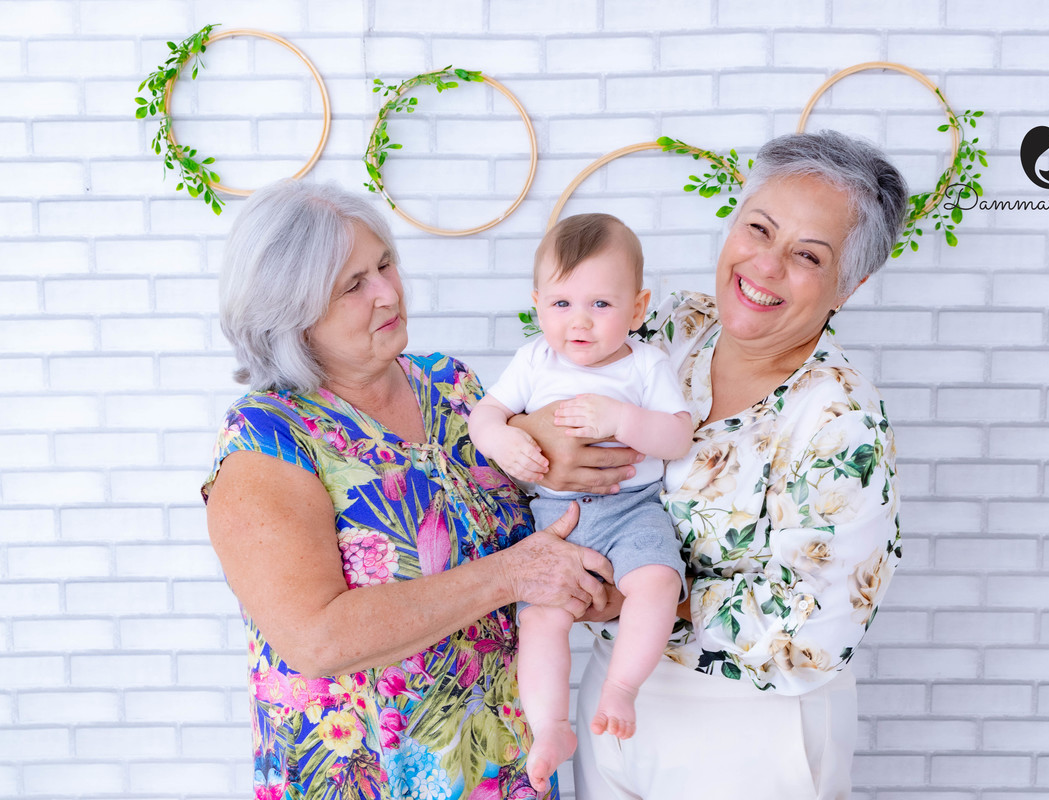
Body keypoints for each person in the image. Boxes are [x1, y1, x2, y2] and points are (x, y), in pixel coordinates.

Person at [514, 130, 909, 799]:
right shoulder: (673, 329)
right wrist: (528, 433)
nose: (766, 264)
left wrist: (626, 598)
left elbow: (814, 627)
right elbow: (550, 370)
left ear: (850, 285)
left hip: (749, 726)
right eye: (759, 228)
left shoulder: (840, 419)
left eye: (807, 255)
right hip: (614, 701)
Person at [201, 179, 617, 800]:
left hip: (505, 765)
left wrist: (595, 583)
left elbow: (540, 543)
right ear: (291, 313)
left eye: (385, 264)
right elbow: (317, 639)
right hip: (372, 776)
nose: (388, 292)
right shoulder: (267, 439)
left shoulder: (453, 388)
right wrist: (514, 575)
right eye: (353, 285)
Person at [467, 213, 693, 793]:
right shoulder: (534, 361)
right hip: (556, 519)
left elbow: (677, 436)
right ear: (538, 303)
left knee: (658, 582)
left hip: (633, 507)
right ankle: (551, 727)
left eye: (601, 304)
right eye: (562, 304)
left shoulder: (645, 366)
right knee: (541, 617)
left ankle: (622, 686)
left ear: (638, 309)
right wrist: (504, 438)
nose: (580, 323)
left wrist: (623, 419)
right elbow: (483, 415)